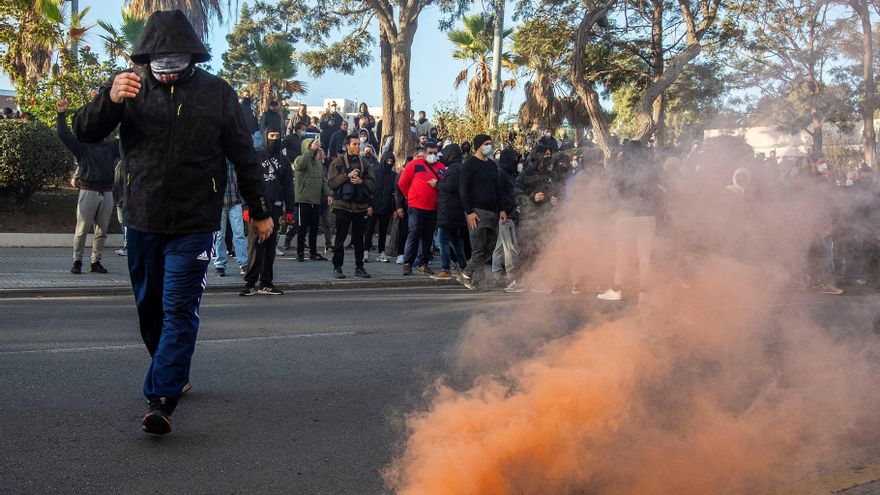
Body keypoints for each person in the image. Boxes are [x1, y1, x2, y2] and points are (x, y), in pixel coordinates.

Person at [72, 10, 274, 435]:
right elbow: (84, 133)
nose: (166, 66)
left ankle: (161, 399)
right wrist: (107, 100)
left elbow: (244, 156)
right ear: (145, 56)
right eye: (158, 58)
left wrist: (259, 210)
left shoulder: (218, 93)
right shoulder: (127, 86)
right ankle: (173, 371)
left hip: (196, 223)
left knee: (179, 310)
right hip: (142, 219)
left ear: (192, 57)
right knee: (150, 311)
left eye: (176, 58)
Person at [57, 98, 119, 275]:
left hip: (107, 193)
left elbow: (128, 138)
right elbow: (64, 135)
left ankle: (95, 262)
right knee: (82, 230)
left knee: (102, 232)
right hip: (88, 191)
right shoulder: (82, 147)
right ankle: (77, 261)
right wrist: (61, 114)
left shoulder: (111, 147)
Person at [240, 127, 296, 295]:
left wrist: (290, 210)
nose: (275, 139)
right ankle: (250, 284)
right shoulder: (256, 157)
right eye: (271, 136)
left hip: (276, 207)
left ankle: (266, 283)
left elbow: (288, 187)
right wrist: (245, 207)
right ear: (265, 137)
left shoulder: (284, 161)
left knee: (270, 248)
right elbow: (246, 182)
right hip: (257, 207)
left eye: (278, 136)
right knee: (255, 246)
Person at [458, 134, 507, 290]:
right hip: (476, 211)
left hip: (492, 211)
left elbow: (498, 189)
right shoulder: (469, 164)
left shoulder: (492, 165)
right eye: (486, 143)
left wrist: (502, 209)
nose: (489, 146)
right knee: (478, 247)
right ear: (479, 145)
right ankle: (480, 281)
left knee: (490, 247)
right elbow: (463, 190)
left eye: (490, 143)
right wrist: (469, 212)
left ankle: (466, 272)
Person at [327, 135, 375, 278]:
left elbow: (373, 185)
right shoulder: (338, 162)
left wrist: (361, 181)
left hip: (360, 207)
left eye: (358, 144)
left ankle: (359, 267)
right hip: (342, 206)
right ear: (347, 146)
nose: (357, 147)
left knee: (359, 239)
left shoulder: (365, 163)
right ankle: (337, 267)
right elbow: (331, 183)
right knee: (340, 238)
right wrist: (347, 176)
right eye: (354, 144)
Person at [512, 151, 560, 292]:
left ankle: (541, 281)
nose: (547, 158)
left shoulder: (551, 175)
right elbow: (517, 195)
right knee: (526, 250)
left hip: (546, 218)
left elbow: (557, 192)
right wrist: (532, 198)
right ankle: (520, 281)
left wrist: (554, 199)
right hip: (529, 219)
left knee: (543, 250)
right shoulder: (525, 174)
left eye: (549, 155)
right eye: (544, 155)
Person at [399, 142, 446, 276]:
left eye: (435, 153)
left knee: (427, 237)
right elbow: (402, 183)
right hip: (416, 207)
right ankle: (408, 263)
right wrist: (410, 197)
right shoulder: (414, 165)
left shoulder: (441, 167)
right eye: (430, 153)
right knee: (413, 234)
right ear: (424, 153)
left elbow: (445, 184)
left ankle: (423, 263)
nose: (433, 155)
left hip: (433, 208)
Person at [293, 137, 332, 262]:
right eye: (311, 145)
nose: (315, 147)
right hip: (303, 200)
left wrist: (328, 194)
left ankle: (313, 252)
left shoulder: (319, 164)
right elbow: (299, 165)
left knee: (314, 229)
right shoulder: (300, 159)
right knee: (302, 229)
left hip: (316, 201)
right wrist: (310, 150)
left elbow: (323, 180)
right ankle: (299, 253)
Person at [434, 143, 467, 280]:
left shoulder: (453, 169)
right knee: (455, 240)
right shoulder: (460, 167)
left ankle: (445, 268)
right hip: (455, 210)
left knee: (442, 240)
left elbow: (450, 187)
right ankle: (464, 266)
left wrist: (436, 184)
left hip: (448, 210)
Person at [214, 161, 249, 277]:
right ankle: (220, 264)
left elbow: (242, 181)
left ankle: (242, 263)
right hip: (222, 202)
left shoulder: (232, 159)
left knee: (238, 233)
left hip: (234, 201)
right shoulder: (218, 158)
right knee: (221, 235)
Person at [493, 147, 521, 288]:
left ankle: (496, 274)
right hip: (505, 214)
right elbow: (500, 194)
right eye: (514, 159)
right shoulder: (501, 173)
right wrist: (502, 210)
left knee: (500, 246)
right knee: (510, 247)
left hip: (510, 212)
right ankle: (511, 277)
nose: (516, 161)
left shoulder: (511, 173)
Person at [365, 151, 397, 263]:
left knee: (383, 232)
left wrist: (394, 209)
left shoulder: (394, 175)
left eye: (391, 161)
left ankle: (381, 252)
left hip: (386, 208)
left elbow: (395, 194)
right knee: (369, 230)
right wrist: (369, 205)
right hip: (373, 207)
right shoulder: (375, 173)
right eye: (387, 160)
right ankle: (366, 252)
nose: (389, 163)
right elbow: (368, 190)